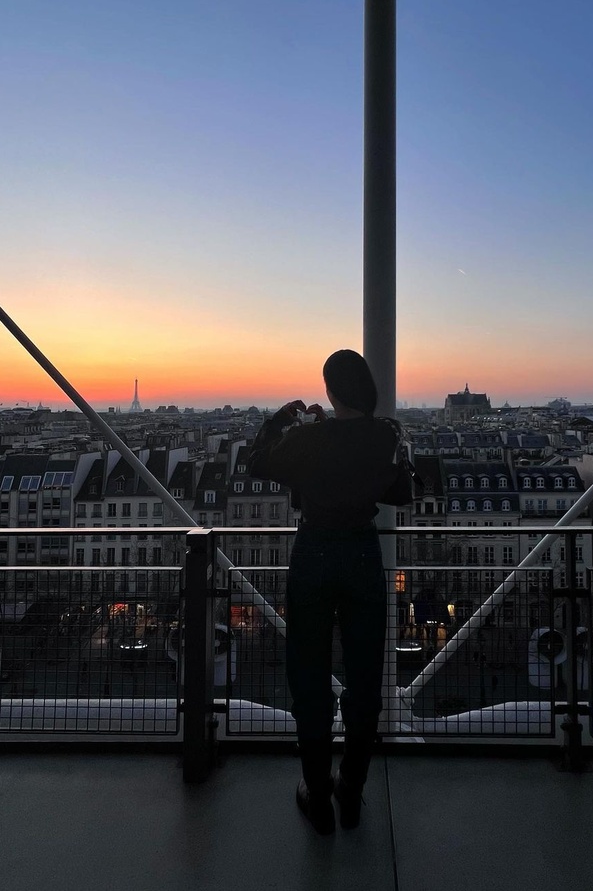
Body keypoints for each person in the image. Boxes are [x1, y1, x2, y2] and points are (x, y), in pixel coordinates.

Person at [249, 349, 407, 835]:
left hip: (314, 551)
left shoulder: (310, 439)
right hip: (361, 551)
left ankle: (317, 793)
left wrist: (282, 421)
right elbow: (396, 486)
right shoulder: (386, 434)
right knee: (365, 675)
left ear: (330, 390)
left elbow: (258, 463)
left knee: (309, 674)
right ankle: (351, 788)